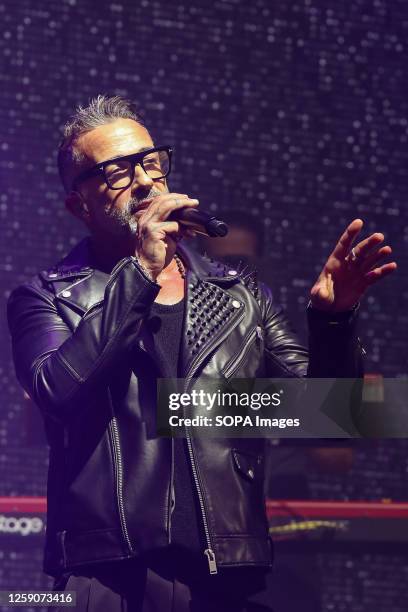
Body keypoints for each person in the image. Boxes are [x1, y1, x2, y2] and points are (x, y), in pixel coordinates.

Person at [7, 95, 396, 612]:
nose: (145, 180)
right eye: (118, 171)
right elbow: (58, 391)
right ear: (79, 203)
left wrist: (333, 319)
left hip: (224, 574)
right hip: (106, 577)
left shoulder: (239, 298)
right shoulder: (48, 297)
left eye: (150, 162)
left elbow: (333, 420)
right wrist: (142, 272)